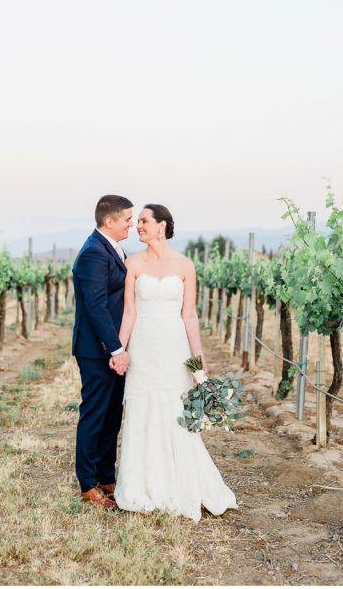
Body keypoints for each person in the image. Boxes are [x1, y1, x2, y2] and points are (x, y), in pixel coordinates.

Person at [113, 203, 237, 521]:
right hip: (143, 346)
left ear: (162, 226)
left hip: (173, 346)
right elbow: (129, 312)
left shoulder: (185, 265)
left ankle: (183, 483)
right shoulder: (132, 264)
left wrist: (198, 361)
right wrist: (119, 349)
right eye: (136, 221)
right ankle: (141, 484)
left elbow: (190, 315)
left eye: (144, 221)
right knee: (142, 408)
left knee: (174, 411)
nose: (138, 225)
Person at [72, 194, 134, 509]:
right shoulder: (93, 254)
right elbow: (96, 307)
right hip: (97, 350)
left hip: (112, 349)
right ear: (109, 221)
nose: (131, 224)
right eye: (127, 219)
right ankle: (88, 484)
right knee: (95, 414)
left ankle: (106, 476)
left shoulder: (113, 249)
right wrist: (116, 348)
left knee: (112, 415)